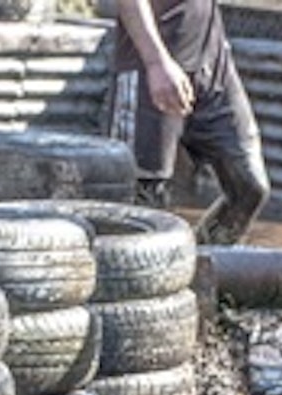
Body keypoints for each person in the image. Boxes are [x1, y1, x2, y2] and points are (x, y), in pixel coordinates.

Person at [107, 0, 271, 244]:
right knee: (142, 203)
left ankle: (199, 266)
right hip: (150, 67)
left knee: (249, 188)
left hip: (211, 61)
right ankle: (136, 278)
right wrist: (155, 62)